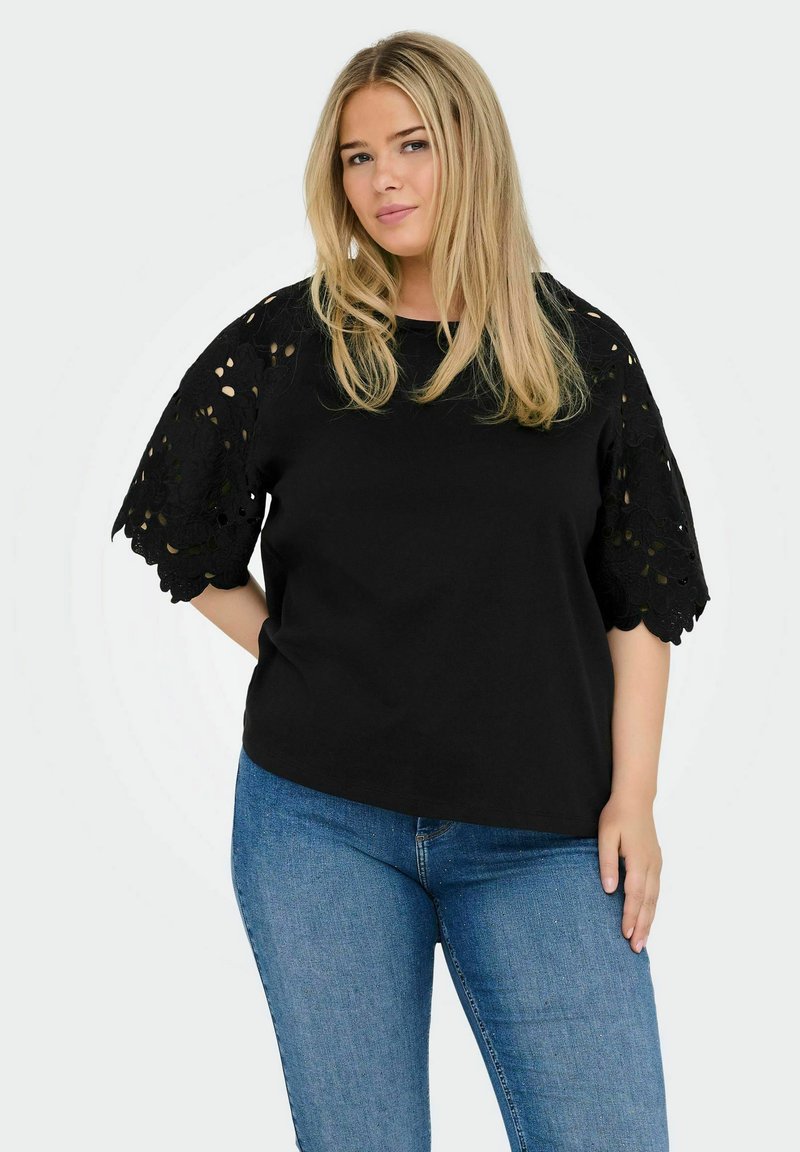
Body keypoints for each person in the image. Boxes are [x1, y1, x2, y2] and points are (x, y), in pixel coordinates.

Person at [110, 30, 710, 1152]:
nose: (383, 178)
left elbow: (642, 597)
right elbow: (182, 538)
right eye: (357, 156)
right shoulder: (291, 345)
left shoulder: (584, 356)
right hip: (318, 824)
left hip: (544, 834)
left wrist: (633, 798)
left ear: (471, 149)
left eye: (412, 145)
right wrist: (304, 651)